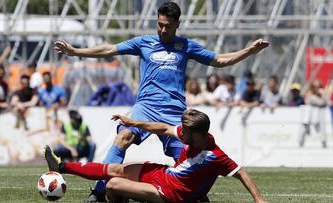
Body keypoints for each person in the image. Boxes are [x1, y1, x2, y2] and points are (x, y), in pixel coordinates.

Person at [54, 1, 269, 200]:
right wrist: (75, 51)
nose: (163, 30)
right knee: (123, 137)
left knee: (186, 157)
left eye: (167, 26)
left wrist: (249, 50)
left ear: (177, 24)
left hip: (174, 112)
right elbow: (109, 48)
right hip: (145, 106)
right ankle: (100, 191)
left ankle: (195, 195)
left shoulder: (186, 46)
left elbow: (220, 60)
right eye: (159, 25)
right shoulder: (143, 42)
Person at [44, 109, 267, 203]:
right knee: (117, 169)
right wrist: (133, 123)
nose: (180, 134)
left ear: (197, 134)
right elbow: (162, 128)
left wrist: (258, 199)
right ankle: (62, 166)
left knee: (112, 185)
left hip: (168, 193)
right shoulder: (192, 135)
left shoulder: (215, 156)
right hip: (163, 174)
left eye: (185, 132)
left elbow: (242, 174)